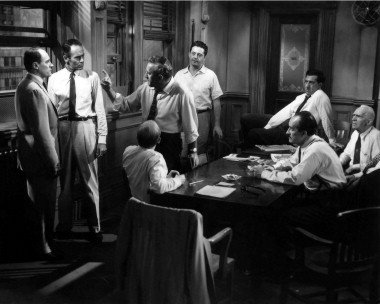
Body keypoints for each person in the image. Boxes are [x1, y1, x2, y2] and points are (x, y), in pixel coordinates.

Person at [48, 39, 107, 243]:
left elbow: (99, 109)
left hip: (86, 127)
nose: (82, 60)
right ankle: (64, 226)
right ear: (65, 58)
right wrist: (53, 142)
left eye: (83, 56)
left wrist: (102, 139)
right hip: (63, 129)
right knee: (64, 183)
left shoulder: (92, 77)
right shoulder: (54, 79)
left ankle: (95, 228)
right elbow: (51, 113)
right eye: (77, 57)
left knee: (90, 180)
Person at [101, 56, 199, 172]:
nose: (145, 76)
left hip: (168, 144)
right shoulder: (145, 88)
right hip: (145, 140)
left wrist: (193, 152)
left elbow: (190, 126)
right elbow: (126, 105)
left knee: (165, 179)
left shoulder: (183, 93)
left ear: (160, 77)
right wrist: (109, 90)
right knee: (146, 178)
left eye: (149, 73)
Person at [14, 47, 61, 260]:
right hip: (40, 157)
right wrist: (53, 162)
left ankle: (44, 243)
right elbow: (42, 132)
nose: (51, 65)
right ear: (36, 65)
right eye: (47, 61)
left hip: (32, 155)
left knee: (40, 202)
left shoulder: (28, 86)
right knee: (44, 204)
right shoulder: (32, 88)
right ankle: (44, 247)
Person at [240, 69, 337, 149]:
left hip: (292, 132)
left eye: (311, 83)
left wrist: (332, 140)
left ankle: (247, 151)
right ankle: (246, 146)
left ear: (320, 85)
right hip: (283, 122)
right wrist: (270, 125)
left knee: (253, 133)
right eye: (306, 81)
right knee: (246, 118)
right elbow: (285, 112)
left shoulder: (321, 96)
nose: (307, 85)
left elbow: (326, 119)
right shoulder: (302, 96)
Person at [251, 111, 346, 191]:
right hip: (319, 193)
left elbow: (294, 178)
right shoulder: (309, 142)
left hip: (328, 200)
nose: (287, 132)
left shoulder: (315, 150)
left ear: (304, 133)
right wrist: (272, 167)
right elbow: (292, 161)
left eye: (291, 129)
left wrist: (263, 173)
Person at [174, 41, 223, 155]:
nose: (195, 57)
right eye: (193, 53)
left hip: (202, 117)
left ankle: (197, 173)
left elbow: (216, 101)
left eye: (199, 55)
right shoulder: (179, 75)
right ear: (189, 54)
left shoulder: (211, 75)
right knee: (182, 151)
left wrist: (217, 125)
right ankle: (182, 173)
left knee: (198, 152)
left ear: (204, 57)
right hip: (182, 117)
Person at [122, 120, 186, 203]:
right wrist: (178, 180)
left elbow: (143, 178)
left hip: (132, 202)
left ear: (137, 137)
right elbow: (160, 187)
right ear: (159, 140)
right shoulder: (155, 158)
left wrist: (166, 178)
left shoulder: (128, 151)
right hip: (149, 205)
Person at [340, 105, 380, 182]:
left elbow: (377, 167)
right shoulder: (355, 133)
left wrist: (355, 172)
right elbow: (347, 154)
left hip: (365, 177)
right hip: (349, 172)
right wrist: (337, 164)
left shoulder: (376, 136)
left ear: (369, 121)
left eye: (358, 116)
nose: (353, 119)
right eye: (353, 115)